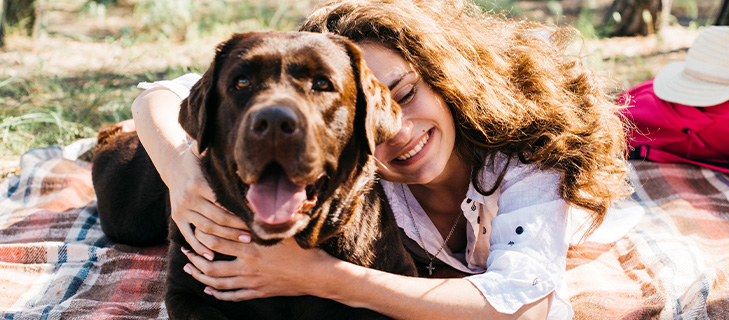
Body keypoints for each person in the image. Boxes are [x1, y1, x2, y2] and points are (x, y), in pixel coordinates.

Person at [131, 0, 632, 318]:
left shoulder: (526, 156)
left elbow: (526, 306)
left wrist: (315, 274)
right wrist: (179, 168)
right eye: (376, 107)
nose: (398, 128)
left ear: (446, 79)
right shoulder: (357, 160)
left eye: (406, 93)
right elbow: (160, 94)